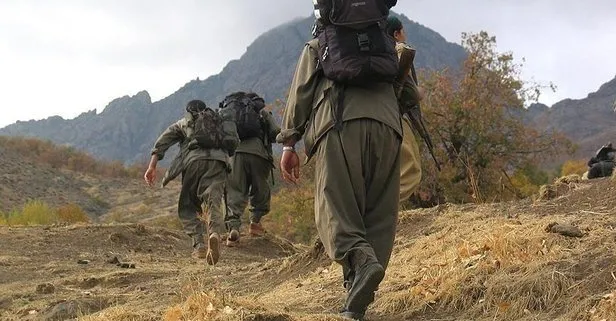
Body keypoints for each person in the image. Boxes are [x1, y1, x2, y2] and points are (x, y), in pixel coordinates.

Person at [277, 26, 403, 321]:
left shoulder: (318, 45)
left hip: (339, 123)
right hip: (389, 129)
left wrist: (288, 143)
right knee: (379, 213)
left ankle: (360, 259)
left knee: (333, 205)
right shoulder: (387, 44)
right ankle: (356, 296)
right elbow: (410, 94)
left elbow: (300, 94)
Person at [144, 99, 238, 265]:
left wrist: (152, 166)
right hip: (219, 162)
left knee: (188, 205)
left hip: (194, 162)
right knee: (213, 199)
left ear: (188, 111)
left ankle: (199, 245)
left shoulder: (184, 123)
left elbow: (163, 142)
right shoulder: (218, 121)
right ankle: (214, 233)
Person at [224, 92, 281, 246]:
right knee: (259, 188)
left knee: (235, 190)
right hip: (258, 154)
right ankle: (255, 223)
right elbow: (275, 132)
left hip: (235, 155)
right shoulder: (260, 111)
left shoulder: (232, 113)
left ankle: (233, 229)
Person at [386, 15, 424, 203]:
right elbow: (411, 94)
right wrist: (418, 92)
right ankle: (379, 211)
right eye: (403, 31)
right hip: (391, 116)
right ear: (396, 33)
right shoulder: (399, 51)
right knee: (411, 172)